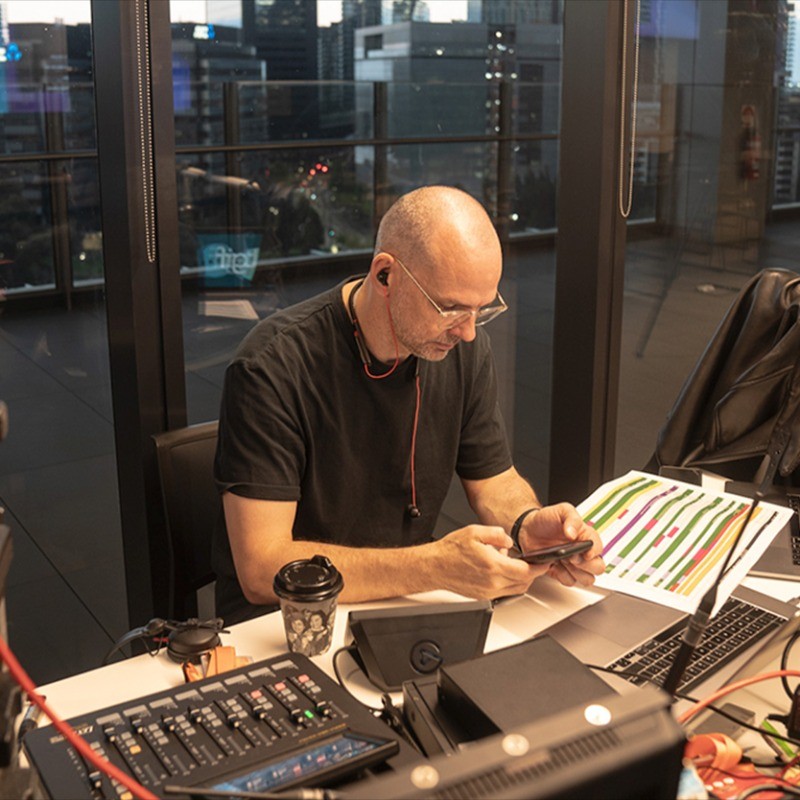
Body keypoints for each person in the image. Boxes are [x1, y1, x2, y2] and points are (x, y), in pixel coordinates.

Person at [212, 185, 605, 624]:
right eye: (450, 308)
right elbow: (262, 568)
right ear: (385, 275)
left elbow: (493, 480)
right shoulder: (272, 366)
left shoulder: (463, 349)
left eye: (482, 310)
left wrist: (526, 523)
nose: (467, 332)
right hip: (288, 621)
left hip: (400, 602)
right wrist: (434, 567)